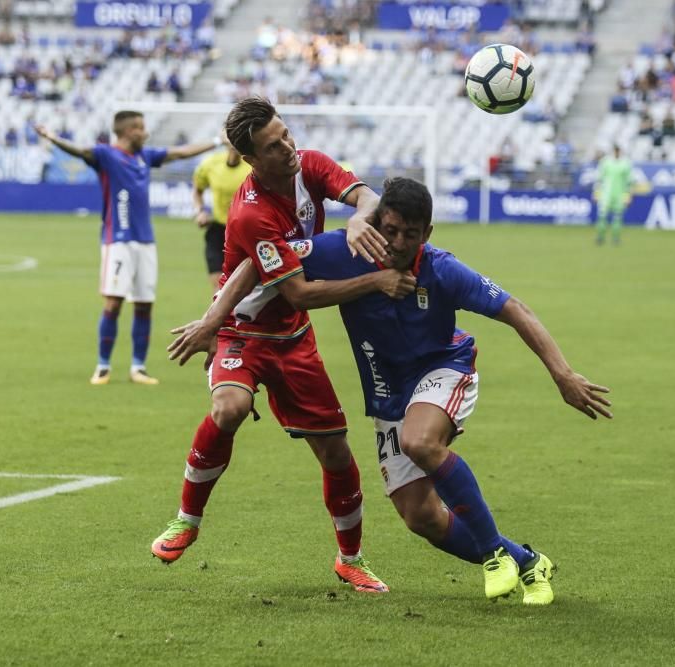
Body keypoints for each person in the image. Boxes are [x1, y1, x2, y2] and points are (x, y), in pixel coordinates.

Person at [169, 178, 613, 605]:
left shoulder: (442, 270)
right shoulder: (346, 251)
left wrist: (563, 375)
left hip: (446, 368)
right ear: (378, 222)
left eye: (411, 235)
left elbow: (514, 308)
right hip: (391, 393)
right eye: (391, 230)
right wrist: (213, 321)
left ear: (428, 233)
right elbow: (261, 261)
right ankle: (527, 561)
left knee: (419, 441)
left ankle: (494, 555)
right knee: (421, 517)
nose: (398, 243)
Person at [150, 97, 416, 594]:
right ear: (251, 159)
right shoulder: (251, 214)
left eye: (287, 134)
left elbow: (366, 195)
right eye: (274, 146)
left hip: (293, 339)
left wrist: (361, 214)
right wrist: (377, 281)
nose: (288, 148)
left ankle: (350, 559)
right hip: (243, 332)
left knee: (336, 454)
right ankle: (187, 519)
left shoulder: (309, 163)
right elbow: (300, 293)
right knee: (230, 407)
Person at [36, 111, 220, 385]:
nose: (145, 133)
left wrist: (217, 140)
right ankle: (103, 366)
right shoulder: (106, 155)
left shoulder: (144, 156)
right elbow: (80, 151)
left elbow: (180, 153)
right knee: (113, 303)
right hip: (117, 240)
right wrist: (53, 138)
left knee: (145, 305)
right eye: (140, 128)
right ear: (127, 131)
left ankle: (138, 368)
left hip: (146, 242)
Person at [191, 143, 252, 289]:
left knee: (242, 291)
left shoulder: (253, 167)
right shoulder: (211, 164)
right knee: (219, 291)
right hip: (217, 231)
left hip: (244, 232)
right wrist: (200, 211)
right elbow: (197, 189)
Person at [594, 144, 633, 246]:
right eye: (615, 150)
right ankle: (600, 237)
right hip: (606, 195)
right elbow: (599, 180)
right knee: (602, 217)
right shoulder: (605, 162)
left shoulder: (626, 163)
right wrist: (596, 194)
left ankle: (615, 238)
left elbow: (629, 182)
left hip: (619, 195)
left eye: (618, 150)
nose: (617, 152)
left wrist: (628, 196)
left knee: (617, 217)